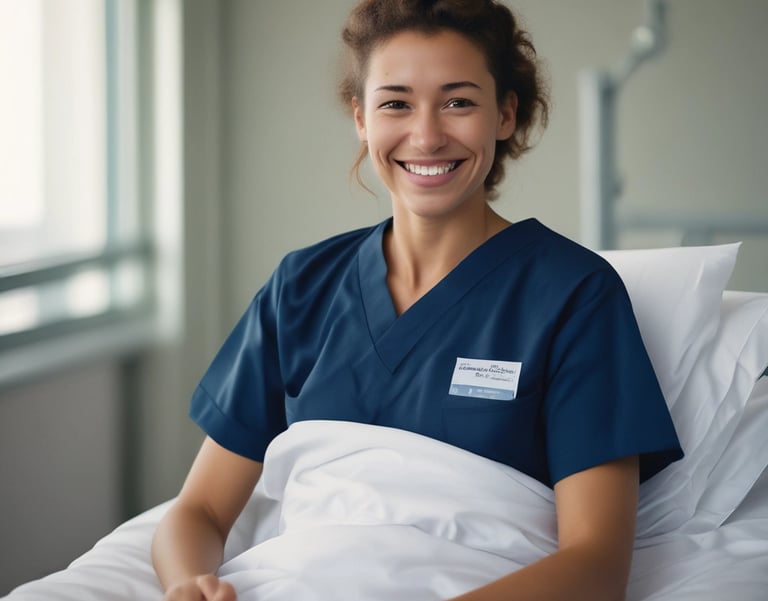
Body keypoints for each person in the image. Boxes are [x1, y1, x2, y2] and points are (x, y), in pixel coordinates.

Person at [152, 1, 683, 600]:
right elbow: (197, 510)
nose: (427, 136)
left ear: (505, 114)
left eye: (458, 101)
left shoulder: (573, 295)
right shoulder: (301, 288)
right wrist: (187, 585)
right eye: (395, 103)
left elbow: (596, 566)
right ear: (361, 117)